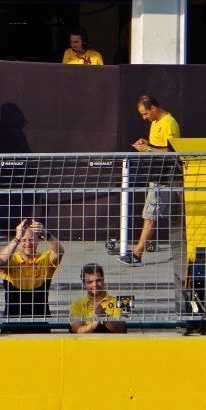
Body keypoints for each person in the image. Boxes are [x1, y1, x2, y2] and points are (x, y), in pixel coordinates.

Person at [121, 94, 182, 266]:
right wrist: (146, 143)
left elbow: (172, 152)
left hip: (165, 176)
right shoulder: (156, 123)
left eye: (145, 114)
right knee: (155, 215)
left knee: (150, 215)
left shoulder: (169, 123)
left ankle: (137, 254)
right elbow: (157, 146)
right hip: (157, 175)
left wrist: (147, 148)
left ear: (153, 108)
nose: (144, 118)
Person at [0, 218, 63, 333]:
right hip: (12, 323)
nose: (28, 243)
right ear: (18, 243)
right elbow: (1, 262)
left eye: (32, 240)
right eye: (24, 240)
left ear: (38, 241)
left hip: (40, 323)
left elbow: (59, 252)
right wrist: (16, 238)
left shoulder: (44, 259)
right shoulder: (12, 260)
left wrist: (45, 234)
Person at [70, 263, 127, 334]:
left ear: (103, 280)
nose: (95, 284)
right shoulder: (76, 304)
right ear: (84, 285)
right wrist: (94, 324)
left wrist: (104, 315)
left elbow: (120, 328)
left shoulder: (120, 301)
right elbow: (78, 330)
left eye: (98, 280)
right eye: (90, 282)